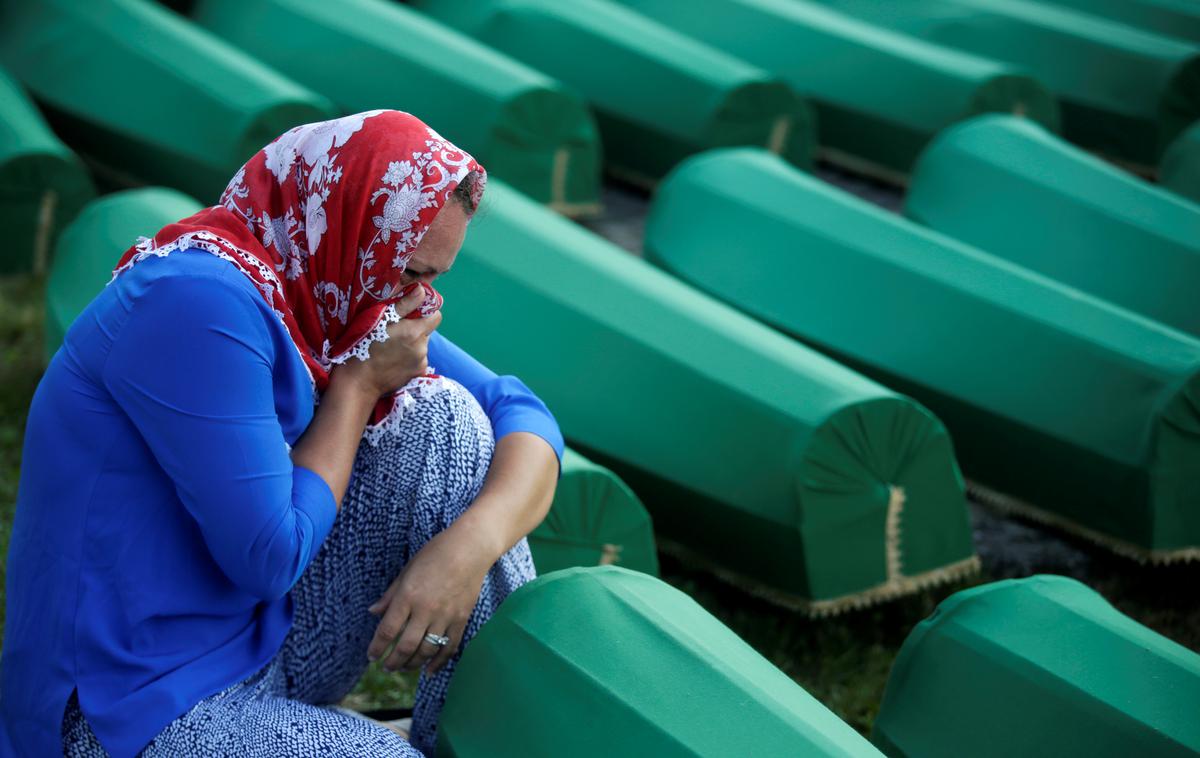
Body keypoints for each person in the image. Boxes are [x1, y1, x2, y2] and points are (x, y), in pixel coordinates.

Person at [0, 110, 563, 757]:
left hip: (268, 643)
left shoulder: (326, 288)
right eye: (408, 272)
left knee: (450, 420)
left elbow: (521, 411)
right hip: (131, 703)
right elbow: (268, 556)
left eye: (431, 276)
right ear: (351, 224)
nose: (418, 298)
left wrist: (466, 550)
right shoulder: (193, 303)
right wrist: (355, 388)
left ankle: (476, 741)